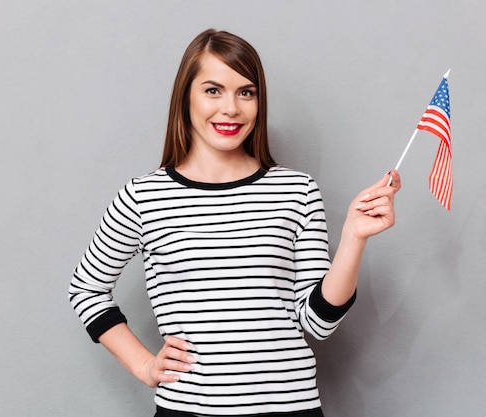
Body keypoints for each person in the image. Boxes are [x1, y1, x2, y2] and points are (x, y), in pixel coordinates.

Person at [69, 28, 401, 417]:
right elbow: (86, 288)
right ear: (185, 97)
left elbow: (318, 323)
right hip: (188, 410)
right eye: (213, 90)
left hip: (290, 408)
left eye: (246, 92)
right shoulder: (144, 196)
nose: (231, 108)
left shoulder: (296, 191)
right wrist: (144, 364)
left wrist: (353, 238)